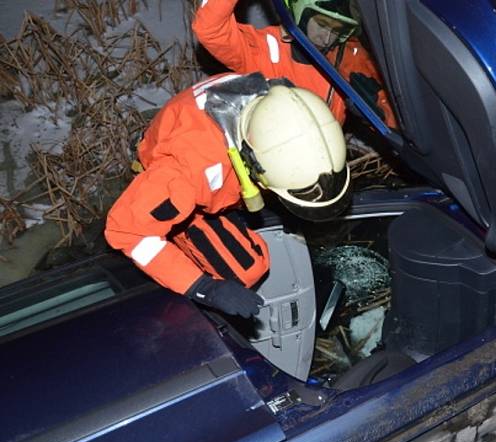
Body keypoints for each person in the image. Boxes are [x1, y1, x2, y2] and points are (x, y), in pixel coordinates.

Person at [105, 72, 349, 318]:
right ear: (253, 161)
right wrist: (203, 288)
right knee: (247, 269)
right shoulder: (191, 172)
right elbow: (125, 231)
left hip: (203, 154)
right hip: (180, 183)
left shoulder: (282, 106)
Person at [193, 0, 396, 128]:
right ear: (300, 13)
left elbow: (393, 105)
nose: (327, 38)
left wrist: (377, 114)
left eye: (337, 30)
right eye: (322, 24)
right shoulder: (263, 50)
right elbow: (210, 30)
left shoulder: (344, 57)